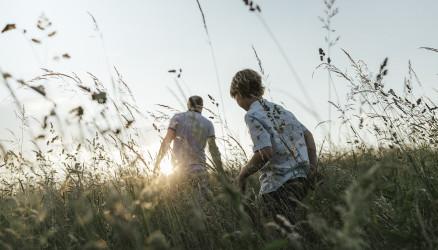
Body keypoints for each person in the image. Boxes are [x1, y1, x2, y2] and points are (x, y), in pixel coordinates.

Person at [229, 69, 318, 224]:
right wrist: (312, 169)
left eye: (235, 98)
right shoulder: (280, 110)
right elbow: (308, 135)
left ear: (239, 93)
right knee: (292, 227)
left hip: (278, 186)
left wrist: (242, 175)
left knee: (276, 233)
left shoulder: (252, 114)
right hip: (301, 180)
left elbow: (266, 152)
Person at [154, 95, 224, 206]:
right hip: (200, 171)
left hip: (179, 172)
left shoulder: (177, 117)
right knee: (201, 208)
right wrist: (221, 171)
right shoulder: (208, 123)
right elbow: (213, 150)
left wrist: (157, 163)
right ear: (202, 107)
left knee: (179, 207)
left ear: (188, 105)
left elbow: (166, 141)